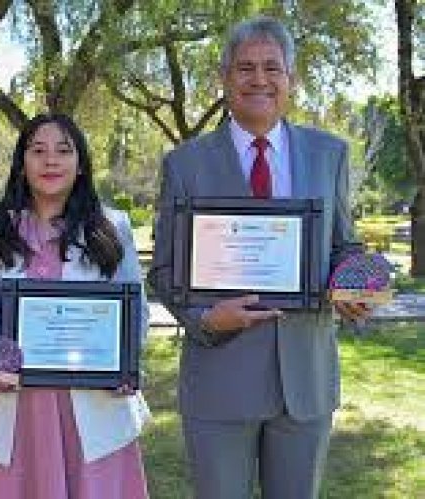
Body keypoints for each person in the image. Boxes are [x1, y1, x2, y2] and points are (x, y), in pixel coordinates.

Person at [147, 16, 369, 499]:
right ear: (225, 79)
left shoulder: (329, 153)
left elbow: (343, 246)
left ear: (291, 79)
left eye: (273, 67)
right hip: (219, 380)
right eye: (245, 68)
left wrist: (355, 284)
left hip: (305, 382)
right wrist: (204, 318)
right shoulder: (184, 164)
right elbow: (163, 269)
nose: (259, 79)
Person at [0, 113, 151, 499]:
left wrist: (124, 364)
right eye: (38, 151)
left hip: (92, 412)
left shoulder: (112, 227)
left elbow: (136, 315)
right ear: (21, 162)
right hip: (11, 410)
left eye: (64, 151)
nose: (51, 161)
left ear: (80, 165)